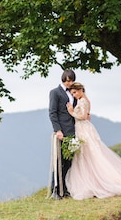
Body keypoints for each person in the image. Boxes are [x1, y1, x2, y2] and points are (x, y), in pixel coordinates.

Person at [64, 82, 121, 200]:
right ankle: (92, 179)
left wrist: (71, 111)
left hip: (83, 128)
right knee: (90, 154)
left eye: (75, 92)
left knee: (89, 153)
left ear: (80, 90)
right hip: (85, 128)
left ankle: (98, 180)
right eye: (72, 93)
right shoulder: (86, 100)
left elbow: (83, 116)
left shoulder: (82, 101)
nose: (74, 95)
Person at [48, 69, 76, 199]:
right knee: (59, 161)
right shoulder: (55, 92)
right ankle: (56, 190)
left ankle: (64, 188)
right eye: (68, 80)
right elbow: (52, 113)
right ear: (64, 79)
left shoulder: (72, 93)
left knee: (69, 161)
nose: (70, 83)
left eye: (72, 80)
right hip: (62, 132)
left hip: (74, 132)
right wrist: (57, 130)